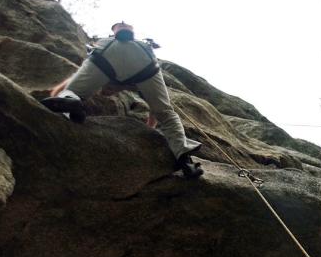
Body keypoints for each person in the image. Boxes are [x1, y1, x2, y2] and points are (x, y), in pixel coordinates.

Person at [40, 22, 203, 179]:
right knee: (166, 113)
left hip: (107, 52)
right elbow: (157, 110)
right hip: (143, 58)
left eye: (107, 91)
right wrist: (149, 128)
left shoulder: (104, 70)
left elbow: (65, 86)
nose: (107, 93)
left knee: (73, 92)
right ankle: (185, 161)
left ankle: (71, 101)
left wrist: (62, 95)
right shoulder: (138, 83)